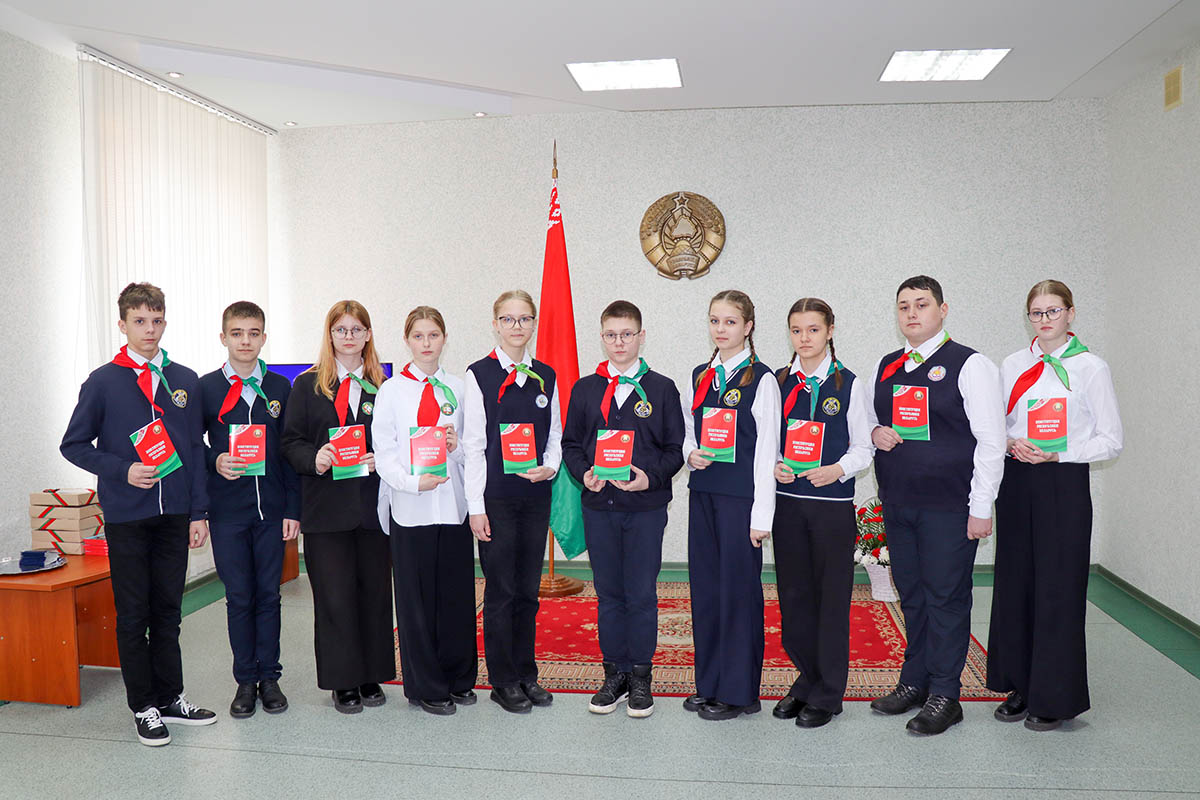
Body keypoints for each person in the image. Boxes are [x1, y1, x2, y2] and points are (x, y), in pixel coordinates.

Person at [61, 282, 216, 747]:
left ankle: (171, 697)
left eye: (157, 320)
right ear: (123, 324)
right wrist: (123, 469)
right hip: (128, 517)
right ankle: (143, 707)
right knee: (133, 615)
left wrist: (198, 512)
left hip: (175, 516)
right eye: (140, 321)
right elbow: (73, 445)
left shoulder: (185, 378)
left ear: (165, 322)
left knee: (169, 611)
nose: (149, 329)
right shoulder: (103, 381)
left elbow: (194, 448)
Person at [866, 275, 1006, 735]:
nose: (911, 313)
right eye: (903, 305)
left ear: (942, 310)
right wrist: (873, 433)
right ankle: (915, 681)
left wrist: (981, 505)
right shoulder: (887, 365)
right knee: (913, 594)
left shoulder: (970, 365)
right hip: (900, 502)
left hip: (950, 506)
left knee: (946, 597)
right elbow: (867, 420)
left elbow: (991, 439)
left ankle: (947, 693)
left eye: (921, 305)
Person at [986, 280, 1122, 731]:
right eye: (1036, 313)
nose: (1044, 320)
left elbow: (1110, 440)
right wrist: (1009, 441)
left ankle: (1054, 697)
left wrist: (1058, 453)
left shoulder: (1090, 368)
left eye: (1052, 311)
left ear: (1070, 313)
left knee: (1057, 589)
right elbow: (997, 424)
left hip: (1062, 483)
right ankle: (1020, 685)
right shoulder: (1012, 364)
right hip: (1018, 479)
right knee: (1016, 583)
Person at [561, 300, 685, 718]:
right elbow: (571, 445)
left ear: (641, 336)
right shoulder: (585, 388)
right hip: (599, 506)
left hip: (646, 508)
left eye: (627, 334)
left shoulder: (664, 388)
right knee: (609, 594)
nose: (619, 342)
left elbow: (675, 450)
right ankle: (613, 673)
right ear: (602, 336)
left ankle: (641, 678)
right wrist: (584, 475)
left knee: (641, 594)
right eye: (611, 334)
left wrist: (649, 477)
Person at [281, 300, 394, 714]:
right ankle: (343, 681)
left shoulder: (385, 386)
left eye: (356, 329)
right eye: (340, 329)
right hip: (326, 509)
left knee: (374, 595)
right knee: (334, 597)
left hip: (372, 508)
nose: (349, 336)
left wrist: (381, 458)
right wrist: (317, 458)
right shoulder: (307, 386)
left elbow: (399, 441)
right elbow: (289, 442)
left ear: (368, 335)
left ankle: (371, 675)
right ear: (329, 336)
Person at [770, 298, 873, 728]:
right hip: (788, 506)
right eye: (797, 330)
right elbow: (767, 439)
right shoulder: (777, 382)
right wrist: (775, 461)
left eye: (813, 330)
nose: (804, 338)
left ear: (830, 330)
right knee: (794, 600)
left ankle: (829, 693)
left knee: (830, 601)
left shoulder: (849, 384)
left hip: (831, 508)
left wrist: (836, 470)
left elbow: (863, 448)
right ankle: (807, 678)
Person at [373, 306, 478, 716]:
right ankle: (425, 685)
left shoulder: (459, 387)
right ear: (408, 341)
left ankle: (458, 677)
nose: (427, 343)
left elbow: (474, 446)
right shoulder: (391, 390)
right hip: (411, 507)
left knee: (455, 598)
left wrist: (456, 446)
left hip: (451, 507)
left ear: (444, 339)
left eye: (433, 335)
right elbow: (383, 453)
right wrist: (413, 482)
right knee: (416, 603)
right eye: (418, 336)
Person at [681, 289, 781, 721]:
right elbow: (689, 429)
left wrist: (762, 516)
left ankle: (740, 692)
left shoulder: (763, 380)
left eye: (729, 322)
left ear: (748, 327)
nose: (721, 330)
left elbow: (767, 450)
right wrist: (689, 453)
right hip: (703, 494)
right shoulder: (701, 374)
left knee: (738, 594)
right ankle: (710, 684)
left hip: (741, 501)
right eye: (714, 321)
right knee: (706, 593)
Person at [461, 289, 561, 714]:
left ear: (534, 324)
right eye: (508, 319)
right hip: (497, 499)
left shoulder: (547, 375)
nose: (517, 327)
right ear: (495, 324)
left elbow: (555, 434)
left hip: (535, 496)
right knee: (501, 591)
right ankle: (502, 680)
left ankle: (526, 673)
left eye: (524, 319)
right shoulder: (479, 374)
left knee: (527, 591)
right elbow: (472, 445)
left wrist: (551, 467)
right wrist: (476, 507)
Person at [199, 301, 300, 719]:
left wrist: (293, 509)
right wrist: (215, 460)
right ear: (223, 337)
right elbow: (193, 446)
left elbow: (291, 450)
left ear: (264, 337)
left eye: (253, 332)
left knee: (269, 596)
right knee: (239, 597)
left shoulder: (280, 388)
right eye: (237, 333)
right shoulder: (206, 388)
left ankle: (270, 677)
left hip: (272, 511)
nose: (245, 340)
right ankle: (245, 680)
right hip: (228, 513)